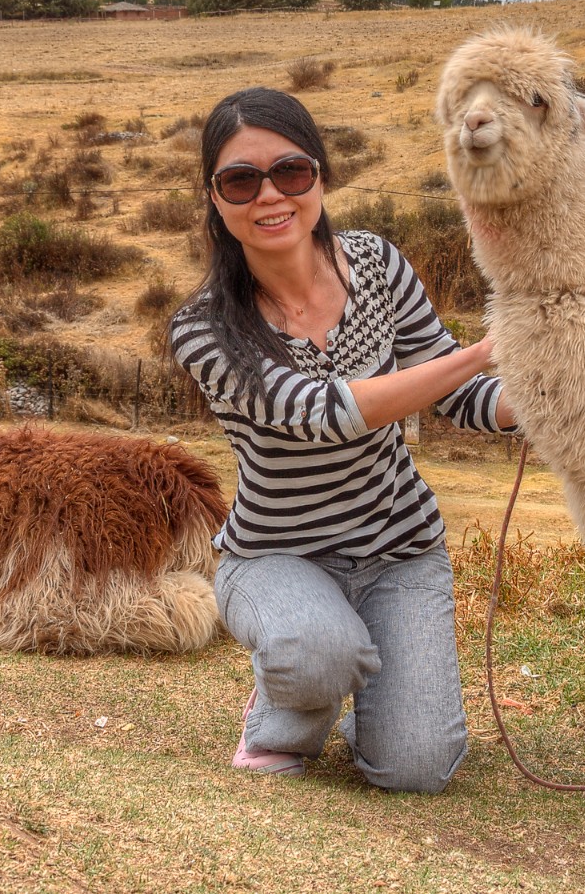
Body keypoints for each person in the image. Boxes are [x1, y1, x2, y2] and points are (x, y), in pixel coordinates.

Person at [169, 87, 516, 793]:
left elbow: (453, 394)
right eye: (241, 180)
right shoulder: (204, 327)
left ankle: (374, 698)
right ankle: (282, 712)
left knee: (414, 770)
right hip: (277, 557)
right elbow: (323, 411)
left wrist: (552, 403)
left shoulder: (379, 266)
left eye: (291, 172)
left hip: (400, 551)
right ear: (215, 198)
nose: (270, 196)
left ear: (320, 175)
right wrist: (486, 350)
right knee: (317, 649)